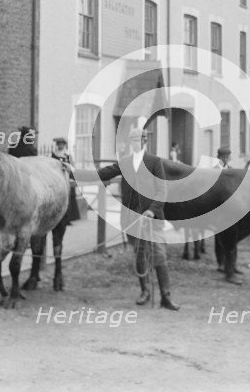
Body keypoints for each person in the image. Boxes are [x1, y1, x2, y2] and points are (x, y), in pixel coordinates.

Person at [74, 128, 179, 310]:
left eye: (139, 139)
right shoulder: (125, 162)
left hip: (152, 219)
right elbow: (101, 174)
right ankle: (144, 291)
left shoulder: (154, 162)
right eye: (133, 140)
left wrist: (152, 211)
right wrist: (74, 172)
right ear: (131, 142)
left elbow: (162, 191)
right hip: (132, 219)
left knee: (159, 255)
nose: (136, 142)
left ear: (144, 141)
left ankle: (165, 297)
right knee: (139, 255)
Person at [51, 137, 80, 225]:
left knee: (69, 197)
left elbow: (72, 166)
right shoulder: (54, 154)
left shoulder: (67, 155)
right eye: (59, 144)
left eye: (62, 144)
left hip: (66, 177)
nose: (60, 145)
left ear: (64, 145)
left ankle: (68, 218)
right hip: (57, 178)